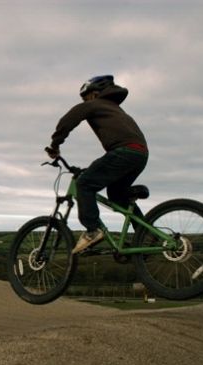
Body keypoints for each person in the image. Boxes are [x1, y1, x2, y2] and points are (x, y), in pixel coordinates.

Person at [45, 75, 148, 254]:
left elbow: (68, 120)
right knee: (117, 196)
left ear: (94, 94)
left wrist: (55, 145)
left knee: (84, 183)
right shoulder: (117, 110)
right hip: (140, 154)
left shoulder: (95, 105)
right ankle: (145, 235)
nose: (84, 101)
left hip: (123, 152)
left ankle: (92, 230)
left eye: (85, 97)